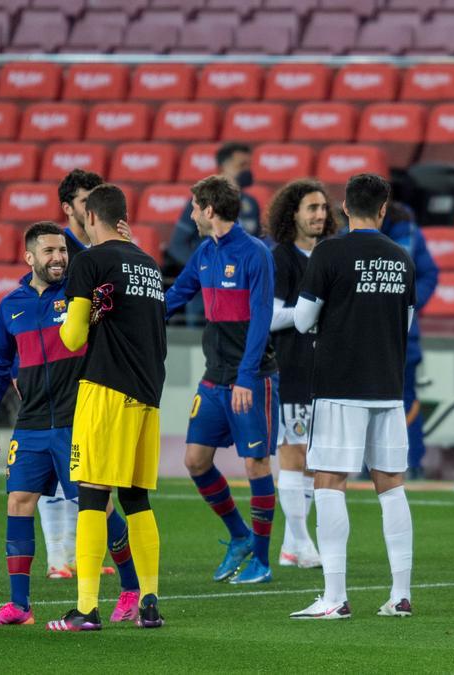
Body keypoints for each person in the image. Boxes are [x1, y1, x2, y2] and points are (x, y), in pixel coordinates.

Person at [0, 222, 143, 626]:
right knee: (18, 502)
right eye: (48, 251)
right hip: (30, 420)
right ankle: (20, 606)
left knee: (98, 506)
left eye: (63, 251)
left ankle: (132, 589)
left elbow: (127, 298)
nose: (58, 258)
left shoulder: (80, 295)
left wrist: (129, 250)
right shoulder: (11, 304)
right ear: (29, 257)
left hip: (78, 417)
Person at [289, 173, 416, 620]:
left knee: (329, 483)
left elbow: (304, 320)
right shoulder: (402, 258)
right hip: (388, 387)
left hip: (340, 386)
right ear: (383, 209)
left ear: (345, 207)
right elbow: (404, 325)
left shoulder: (329, 252)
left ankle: (335, 598)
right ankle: (400, 595)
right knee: (392, 486)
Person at [49, 184, 166, 630]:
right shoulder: (149, 264)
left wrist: (69, 319)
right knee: (137, 499)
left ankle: (85, 609)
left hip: (105, 390)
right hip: (148, 395)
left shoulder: (90, 261)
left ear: (91, 218)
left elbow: (74, 338)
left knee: (92, 498)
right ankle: (150, 603)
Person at [166, 176, 279, 586]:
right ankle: (240, 536)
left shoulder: (255, 254)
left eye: (195, 206)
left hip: (252, 378)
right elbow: (175, 297)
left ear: (209, 209)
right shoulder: (203, 253)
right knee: (195, 460)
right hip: (214, 377)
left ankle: (262, 562)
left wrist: (248, 377)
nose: (191, 213)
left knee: (256, 463)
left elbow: (262, 318)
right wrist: (136, 315)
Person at [43, 167, 131, 580]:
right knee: (69, 472)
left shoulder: (105, 254)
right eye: (83, 201)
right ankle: (63, 557)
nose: (92, 208)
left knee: (90, 479)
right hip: (64, 375)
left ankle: (83, 557)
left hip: (99, 376)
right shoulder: (58, 252)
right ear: (70, 209)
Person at [267, 179, 336, 569]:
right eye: (311, 208)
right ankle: (300, 542)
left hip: (325, 370)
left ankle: (294, 545)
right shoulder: (281, 258)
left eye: (323, 208)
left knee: (313, 458)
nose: (319, 215)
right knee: (293, 453)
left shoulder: (329, 255)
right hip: (291, 366)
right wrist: (309, 313)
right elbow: (272, 315)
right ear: (292, 213)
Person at [167, 143, 259, 326]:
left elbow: (256, 244)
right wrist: (208, 269)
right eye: (241, 165)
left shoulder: (251, 204)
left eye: (249, 165)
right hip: (205, 293)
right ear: (223, 166)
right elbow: (177, 245)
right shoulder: (202, 201)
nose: (246, 171)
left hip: (241, 292)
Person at [381, 202, 439, 479]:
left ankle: (412, 460)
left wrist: (411, 303)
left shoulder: (408, 232)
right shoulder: (349, 233)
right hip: (363, 332)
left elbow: (429, 273)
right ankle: (366, 462)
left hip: (403, 333)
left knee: (405, 396)